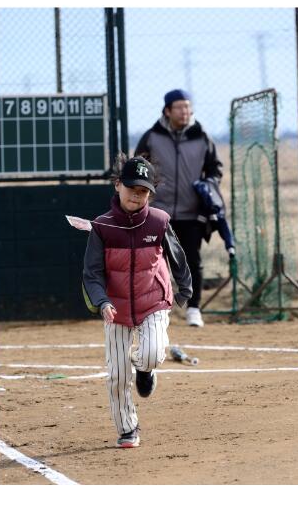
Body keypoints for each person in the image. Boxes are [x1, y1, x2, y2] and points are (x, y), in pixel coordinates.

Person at [82, 154, 192, 448]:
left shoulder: (159, 221)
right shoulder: (102, 226)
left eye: (143, 191)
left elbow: (177, 257)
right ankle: (127, 428)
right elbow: (92, 273)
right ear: (118, 185)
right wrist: (102, 301)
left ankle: (144, 370)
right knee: (117, 376)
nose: (136, 195)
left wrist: (184, 289)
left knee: (153, 353)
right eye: (131, 188)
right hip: (115, 309)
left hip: (153, 301)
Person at [135, 90, 222, 328]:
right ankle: (154, 309)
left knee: (192, 260)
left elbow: (215, 169)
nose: (185, 111)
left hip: (192, 212)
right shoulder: (152, 137)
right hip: (158, 212)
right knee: (153, 262)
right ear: (167, 111)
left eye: (188, 107)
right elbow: (139, 168)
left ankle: (194, 309)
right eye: (180, 107)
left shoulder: (202, 136)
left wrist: (208, 185)